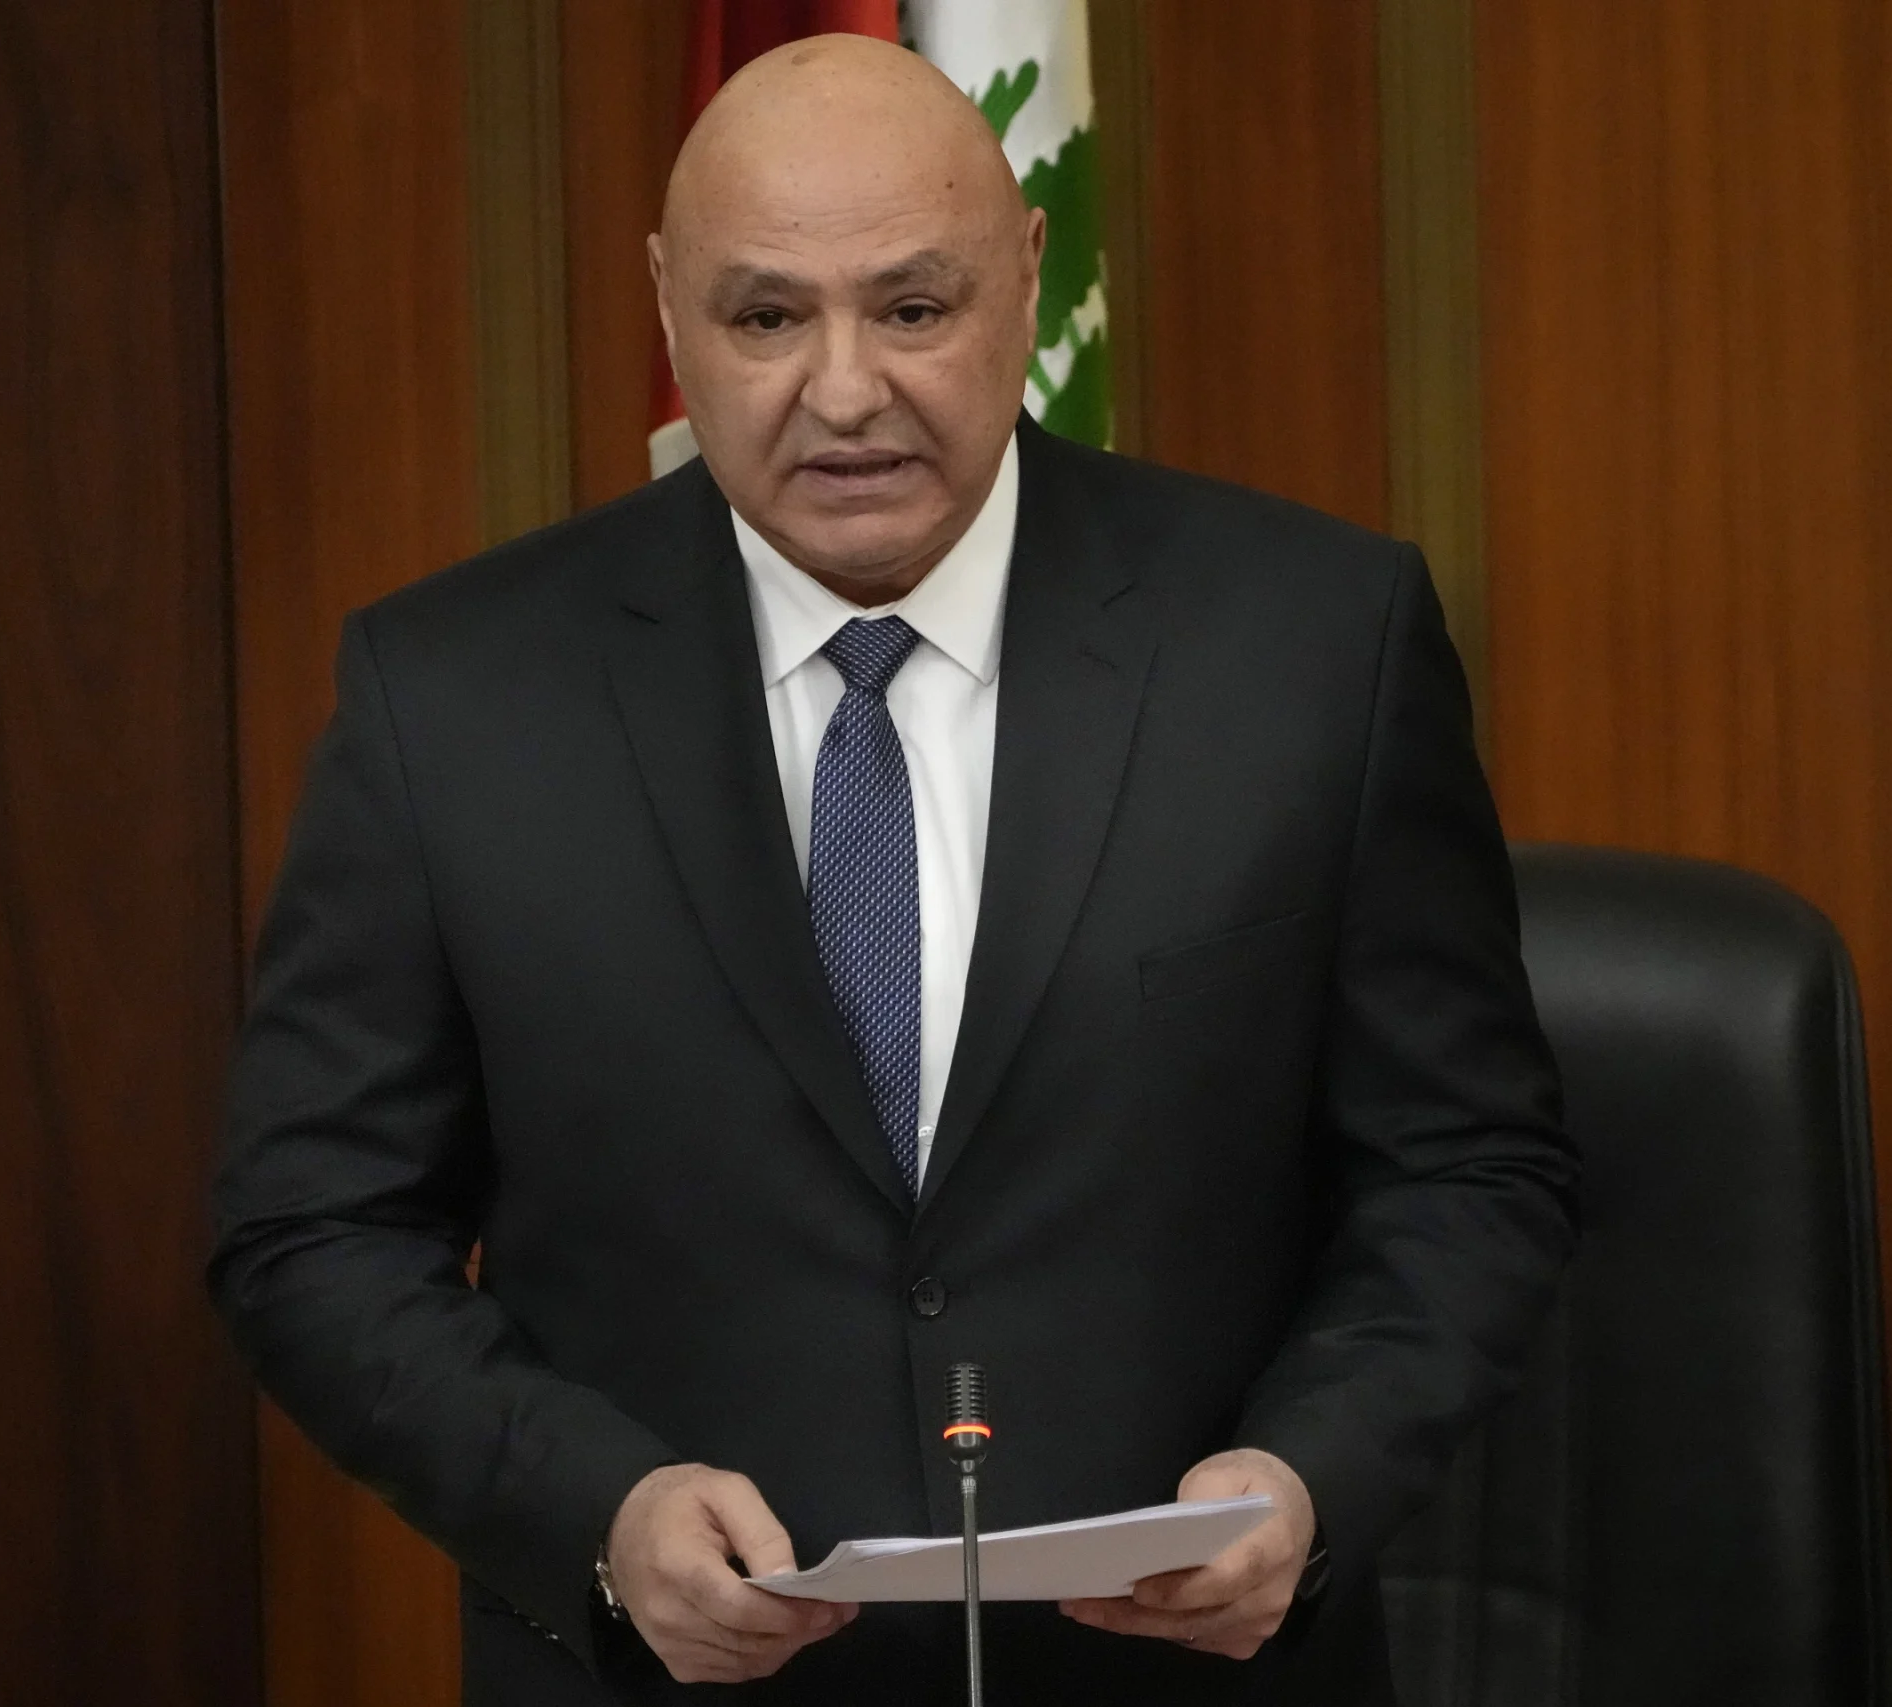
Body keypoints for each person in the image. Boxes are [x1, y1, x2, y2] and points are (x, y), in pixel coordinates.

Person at [211, 32, 1575, 1707]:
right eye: (766, 316)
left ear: (1027, 276)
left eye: (914, 309)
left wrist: (1309, 1476)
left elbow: (1472, 1166)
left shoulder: (1311, 645)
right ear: (665, 305)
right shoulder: (453, 698)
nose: (843, 389)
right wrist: (594, 1508)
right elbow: (315, 1227)